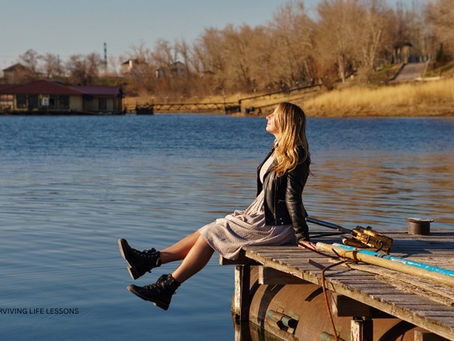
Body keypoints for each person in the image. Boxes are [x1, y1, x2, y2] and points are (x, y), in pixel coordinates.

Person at [118, 102, 311, 310]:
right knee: (208, 230)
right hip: (260, 215)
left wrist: (301, 237)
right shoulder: (278, 149)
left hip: (275, 225)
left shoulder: (296, 155)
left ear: (285, 121)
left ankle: (165, 284)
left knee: (212, 233)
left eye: (273, 114)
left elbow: (293, 198)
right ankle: (151, 262)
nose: (267, 116)